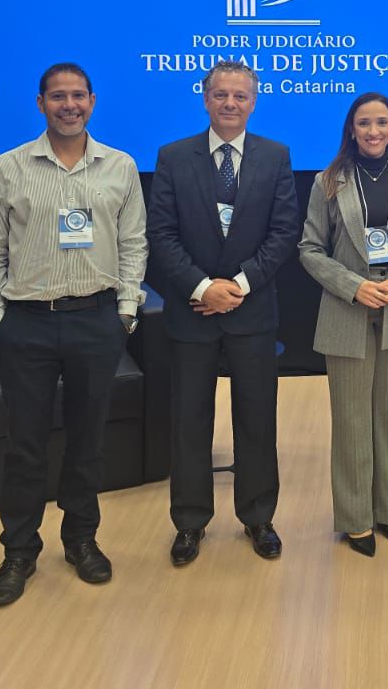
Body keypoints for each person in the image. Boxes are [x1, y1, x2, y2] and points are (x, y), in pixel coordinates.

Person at [0, 62, 147, 607]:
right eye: (57, 96)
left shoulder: (121, 167)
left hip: (96, 322)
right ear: (41, 103)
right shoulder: (6, 168)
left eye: (77, 96)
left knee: (87, 442)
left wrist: (124, 313)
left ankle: (81, 540)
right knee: (25, 446)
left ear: (93, 101)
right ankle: (18, 551)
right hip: (27, 324)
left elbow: (134, 245)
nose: (68, 105)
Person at [146, 60, 299, 564]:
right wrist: (201, 286)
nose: (230, 104)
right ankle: (189, 522)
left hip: (252, 312)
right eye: (221, 95)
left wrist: (236, 285)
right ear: (205, 98)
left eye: (240, 96)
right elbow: (161, 235)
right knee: (190, 421)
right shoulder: (173, 157)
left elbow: (283, 233)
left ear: (254, 102)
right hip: (192, 313)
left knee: (257, 419)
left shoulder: (275, 157)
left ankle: (258, 517)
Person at [298, 92, 388, 557]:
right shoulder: (328, 181)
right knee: (351, 420)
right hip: (347, 309)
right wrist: (353, 286)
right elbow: (310, 249)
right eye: (364, 123)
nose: (374, 131)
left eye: (382, 122)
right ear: (352, 130)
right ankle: (356, 518)